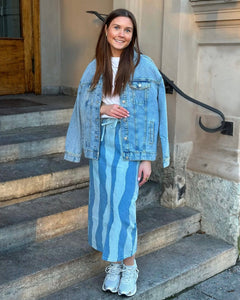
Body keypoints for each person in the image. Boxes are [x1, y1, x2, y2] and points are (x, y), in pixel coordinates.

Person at [64, 8, 169, 297]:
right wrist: (103, 107)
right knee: (103, 205)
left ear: (133, 35)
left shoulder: (144, 66)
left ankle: (130, 265)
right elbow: (82, 106)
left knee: (124, 207)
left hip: (130, 145)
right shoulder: (94, 66)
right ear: (106, 30)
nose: (121, 34)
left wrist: (147, 158)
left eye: (128, 30)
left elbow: (153, 116)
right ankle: (113, 264)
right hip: (101, 143)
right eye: (117, 27)